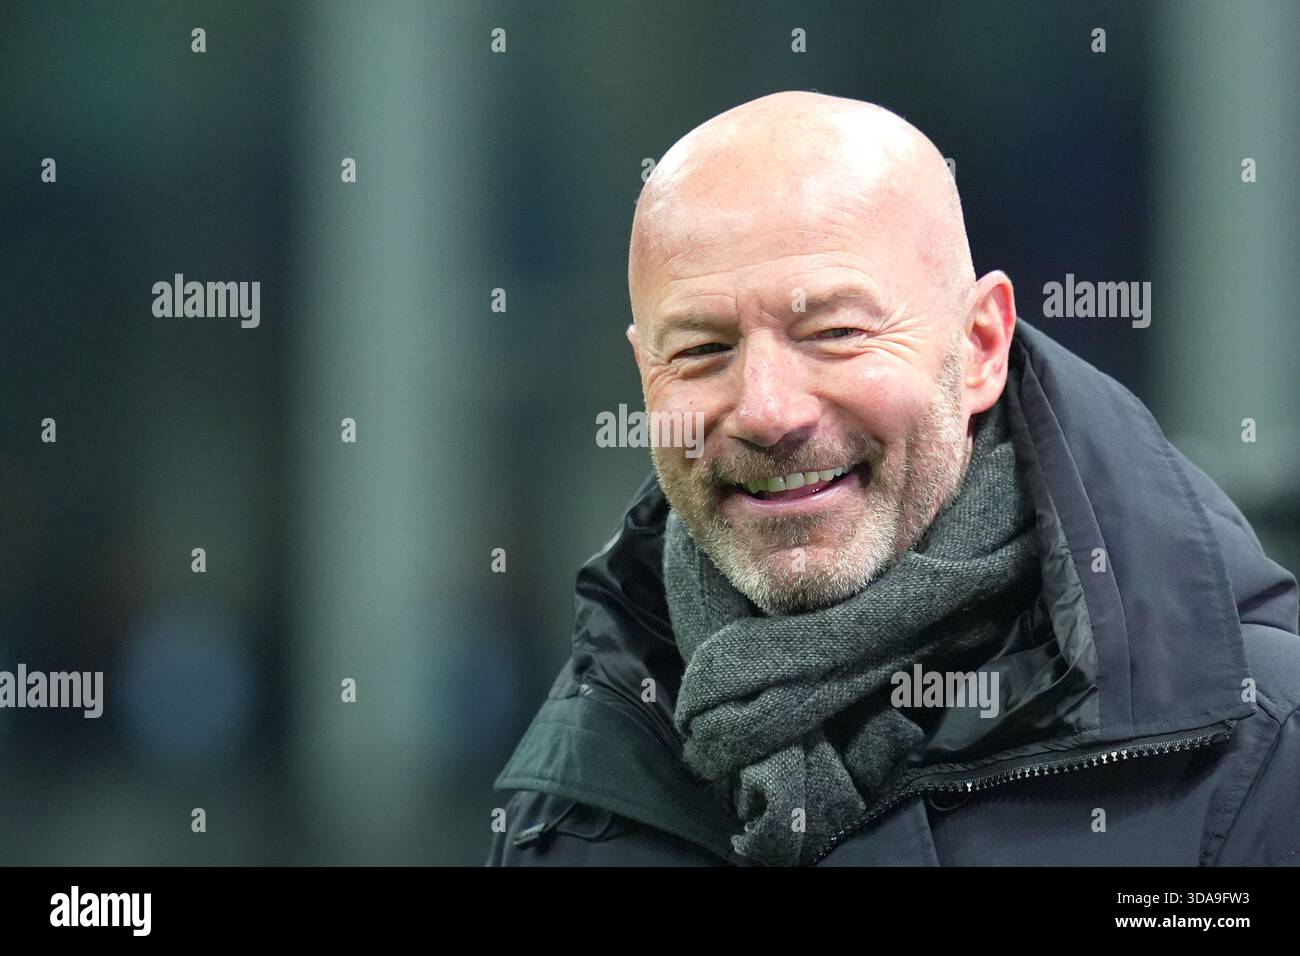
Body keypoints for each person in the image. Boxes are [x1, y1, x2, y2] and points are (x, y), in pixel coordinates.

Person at [488, 91, 1300, 866]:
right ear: (644, 373)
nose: (767, 412)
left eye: (835, 332)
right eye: (701, 351)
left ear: (981, 346)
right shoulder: (579, 789)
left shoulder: (1256, 750)